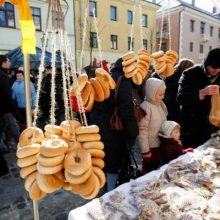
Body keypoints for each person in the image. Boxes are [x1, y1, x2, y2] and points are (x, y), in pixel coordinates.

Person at [89, 57, 139, 191]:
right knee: (113, 163)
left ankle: (102, 185)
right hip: (114, 129)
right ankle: (110, 193)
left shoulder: (105, 78)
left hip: (98, 124)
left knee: (102, 159)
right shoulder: (123, 82)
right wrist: (133, 134)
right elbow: (127, 112)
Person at [177, 48, 220, 148]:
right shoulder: (189, 74)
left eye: (219, 67)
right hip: (191, 129)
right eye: (213, 67)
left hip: (212, 128)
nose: (216, 70)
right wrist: (202, 92)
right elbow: (180, 98)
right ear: (206, 62)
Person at [138, 78, 168, 174]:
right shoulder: (146, 107)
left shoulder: (160, 105)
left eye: (163, 94)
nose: (163, 97)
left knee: (157, 170)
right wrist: (145, 150)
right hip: (150, 147)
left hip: (159, 144)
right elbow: (142, 131)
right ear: (152, 93)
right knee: (149, 172)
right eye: (160, 95)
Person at [0, 55, 20, 176]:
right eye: (8, 61)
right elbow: (7, 95)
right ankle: (25, 147)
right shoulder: (2, 76)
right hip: (5, 109)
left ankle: (2, 147)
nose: (10, 62)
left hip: (2, 108)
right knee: (14, 128)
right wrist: (13, 108)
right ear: (3, 62)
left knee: (2, 129)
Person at [38, 65, 64, 129]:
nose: (46, 72)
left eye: (48, 70)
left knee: (53, 119)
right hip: (49, 103)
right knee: (52, 119)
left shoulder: (52, 78)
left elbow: (45, 91)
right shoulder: (47, 78)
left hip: (51, 103)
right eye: (46, 70)